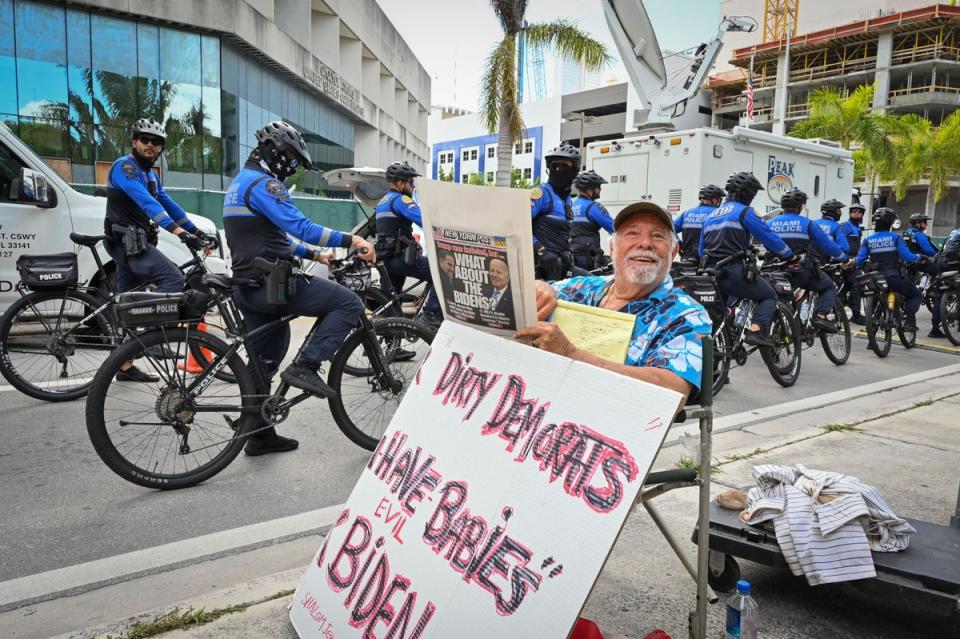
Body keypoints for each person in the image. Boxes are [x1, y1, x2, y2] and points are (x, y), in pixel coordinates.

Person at [223, 120, 375, 456]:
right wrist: (352, 239)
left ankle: (259, 434)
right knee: (348, 303)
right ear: (273, 149)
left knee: (265, 358)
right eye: (291, 158)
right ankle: (306, 366)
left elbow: (270, 238)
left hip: (249, 285)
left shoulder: (240, 183)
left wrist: (316, 255)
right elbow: (301, 227)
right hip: (271, 284)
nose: (292, 167)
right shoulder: (265, 185)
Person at [516, 202, 712, 402]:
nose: (645, 243)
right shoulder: (581, 289)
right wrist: (539, 287)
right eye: (632, 233)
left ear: (673, 252)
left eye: (657, 236)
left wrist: (571, 354)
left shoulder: (684, 314)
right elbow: (521, 300)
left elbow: (672, 393)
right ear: (612, 247)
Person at [104, 117, 215, 383]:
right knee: (173, 279)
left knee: (125, 300)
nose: (150, 146)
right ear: (134, 142)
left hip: (135, 243)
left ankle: (124, 366)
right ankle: (153, 336)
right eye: (145, 140)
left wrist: (197, 231)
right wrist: (179, 233)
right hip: (126, 244)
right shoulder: (125, 168)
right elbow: (147, 204)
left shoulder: (150, 175)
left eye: (157, 143)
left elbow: (170, 205)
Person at [699, 172, 793, 347]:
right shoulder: (744, 212)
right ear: (747, 193)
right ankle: (755, 331)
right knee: (769, 295)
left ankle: (717, 365)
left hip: (711, 274)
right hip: (734, 272)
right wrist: (789, 254)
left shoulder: (711, 216)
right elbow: (768, 236)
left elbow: (701, 250)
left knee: (721, 318)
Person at [767, 189, 849, 332]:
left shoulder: (769, 223)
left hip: (773, 270)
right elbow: (828, 246)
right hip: (799, 270)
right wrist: (844, 259)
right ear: (800, 206)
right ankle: (820, 316)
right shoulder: (808, 224)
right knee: (829, 287)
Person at [374, 161, 443, 327]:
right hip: (400, 258)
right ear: (400, 183)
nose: (413, 187)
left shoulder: (382, 202)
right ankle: (430, 315)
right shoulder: (400, 199)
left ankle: (392, 346)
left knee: (391, 302)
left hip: (385, 260)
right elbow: (424, 220)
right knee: (442, 272)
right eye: (411, 182)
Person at [855, 207, 923, 332]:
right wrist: (919, 257)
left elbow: (858, 261)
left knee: (875, 300)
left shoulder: (868, 239)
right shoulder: (895, 237)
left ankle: (872, 340)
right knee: (916, 295)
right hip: (892, 278)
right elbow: (907, 257)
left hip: (875, 279)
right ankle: (908, 321)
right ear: (891, 222)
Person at [531, 145, 583, 280]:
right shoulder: (541, 193)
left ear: (574, 171)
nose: (558, 170)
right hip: (542, 269)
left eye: (564, 167)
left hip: (564, 265)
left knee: (595, 283)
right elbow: (518, 225)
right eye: (555, 166)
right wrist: (541, 251)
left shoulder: (567, 199)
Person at [903, 213, 944, 337]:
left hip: (907, 264)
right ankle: (935, 289)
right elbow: (928, 250)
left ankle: (909, 319)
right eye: (924, 222)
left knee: (909, 290)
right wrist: (938, 256)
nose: (926, 225)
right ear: (918, 223)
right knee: (938, 271)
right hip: (919, 262)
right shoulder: (919, 235)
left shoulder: (906, 233)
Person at [570, 170, 615, 270]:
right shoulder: (593, 207)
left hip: (571, 259)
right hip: (589, 260)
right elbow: (614, 227)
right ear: (590, 190)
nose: (600, 189)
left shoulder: (570, 205)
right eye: (598, 187)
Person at [674, 184, 724, 262]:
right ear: (714, 199)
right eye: (718, 199)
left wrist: (679, 244)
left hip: (687, 257)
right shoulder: (716, 213)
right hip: (708, 259)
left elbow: (669, 228)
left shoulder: (687, 213)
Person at [840, 202, 866, 324]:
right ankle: (855, 314)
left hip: (854, 260)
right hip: (847, 260)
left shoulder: (857, 228)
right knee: (858, 283)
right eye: (854, 211)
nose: (856, 213)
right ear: (850, 213)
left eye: (859, 212)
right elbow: (840, 242)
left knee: (847, 287)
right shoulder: (846, 226)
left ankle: (840, 312)